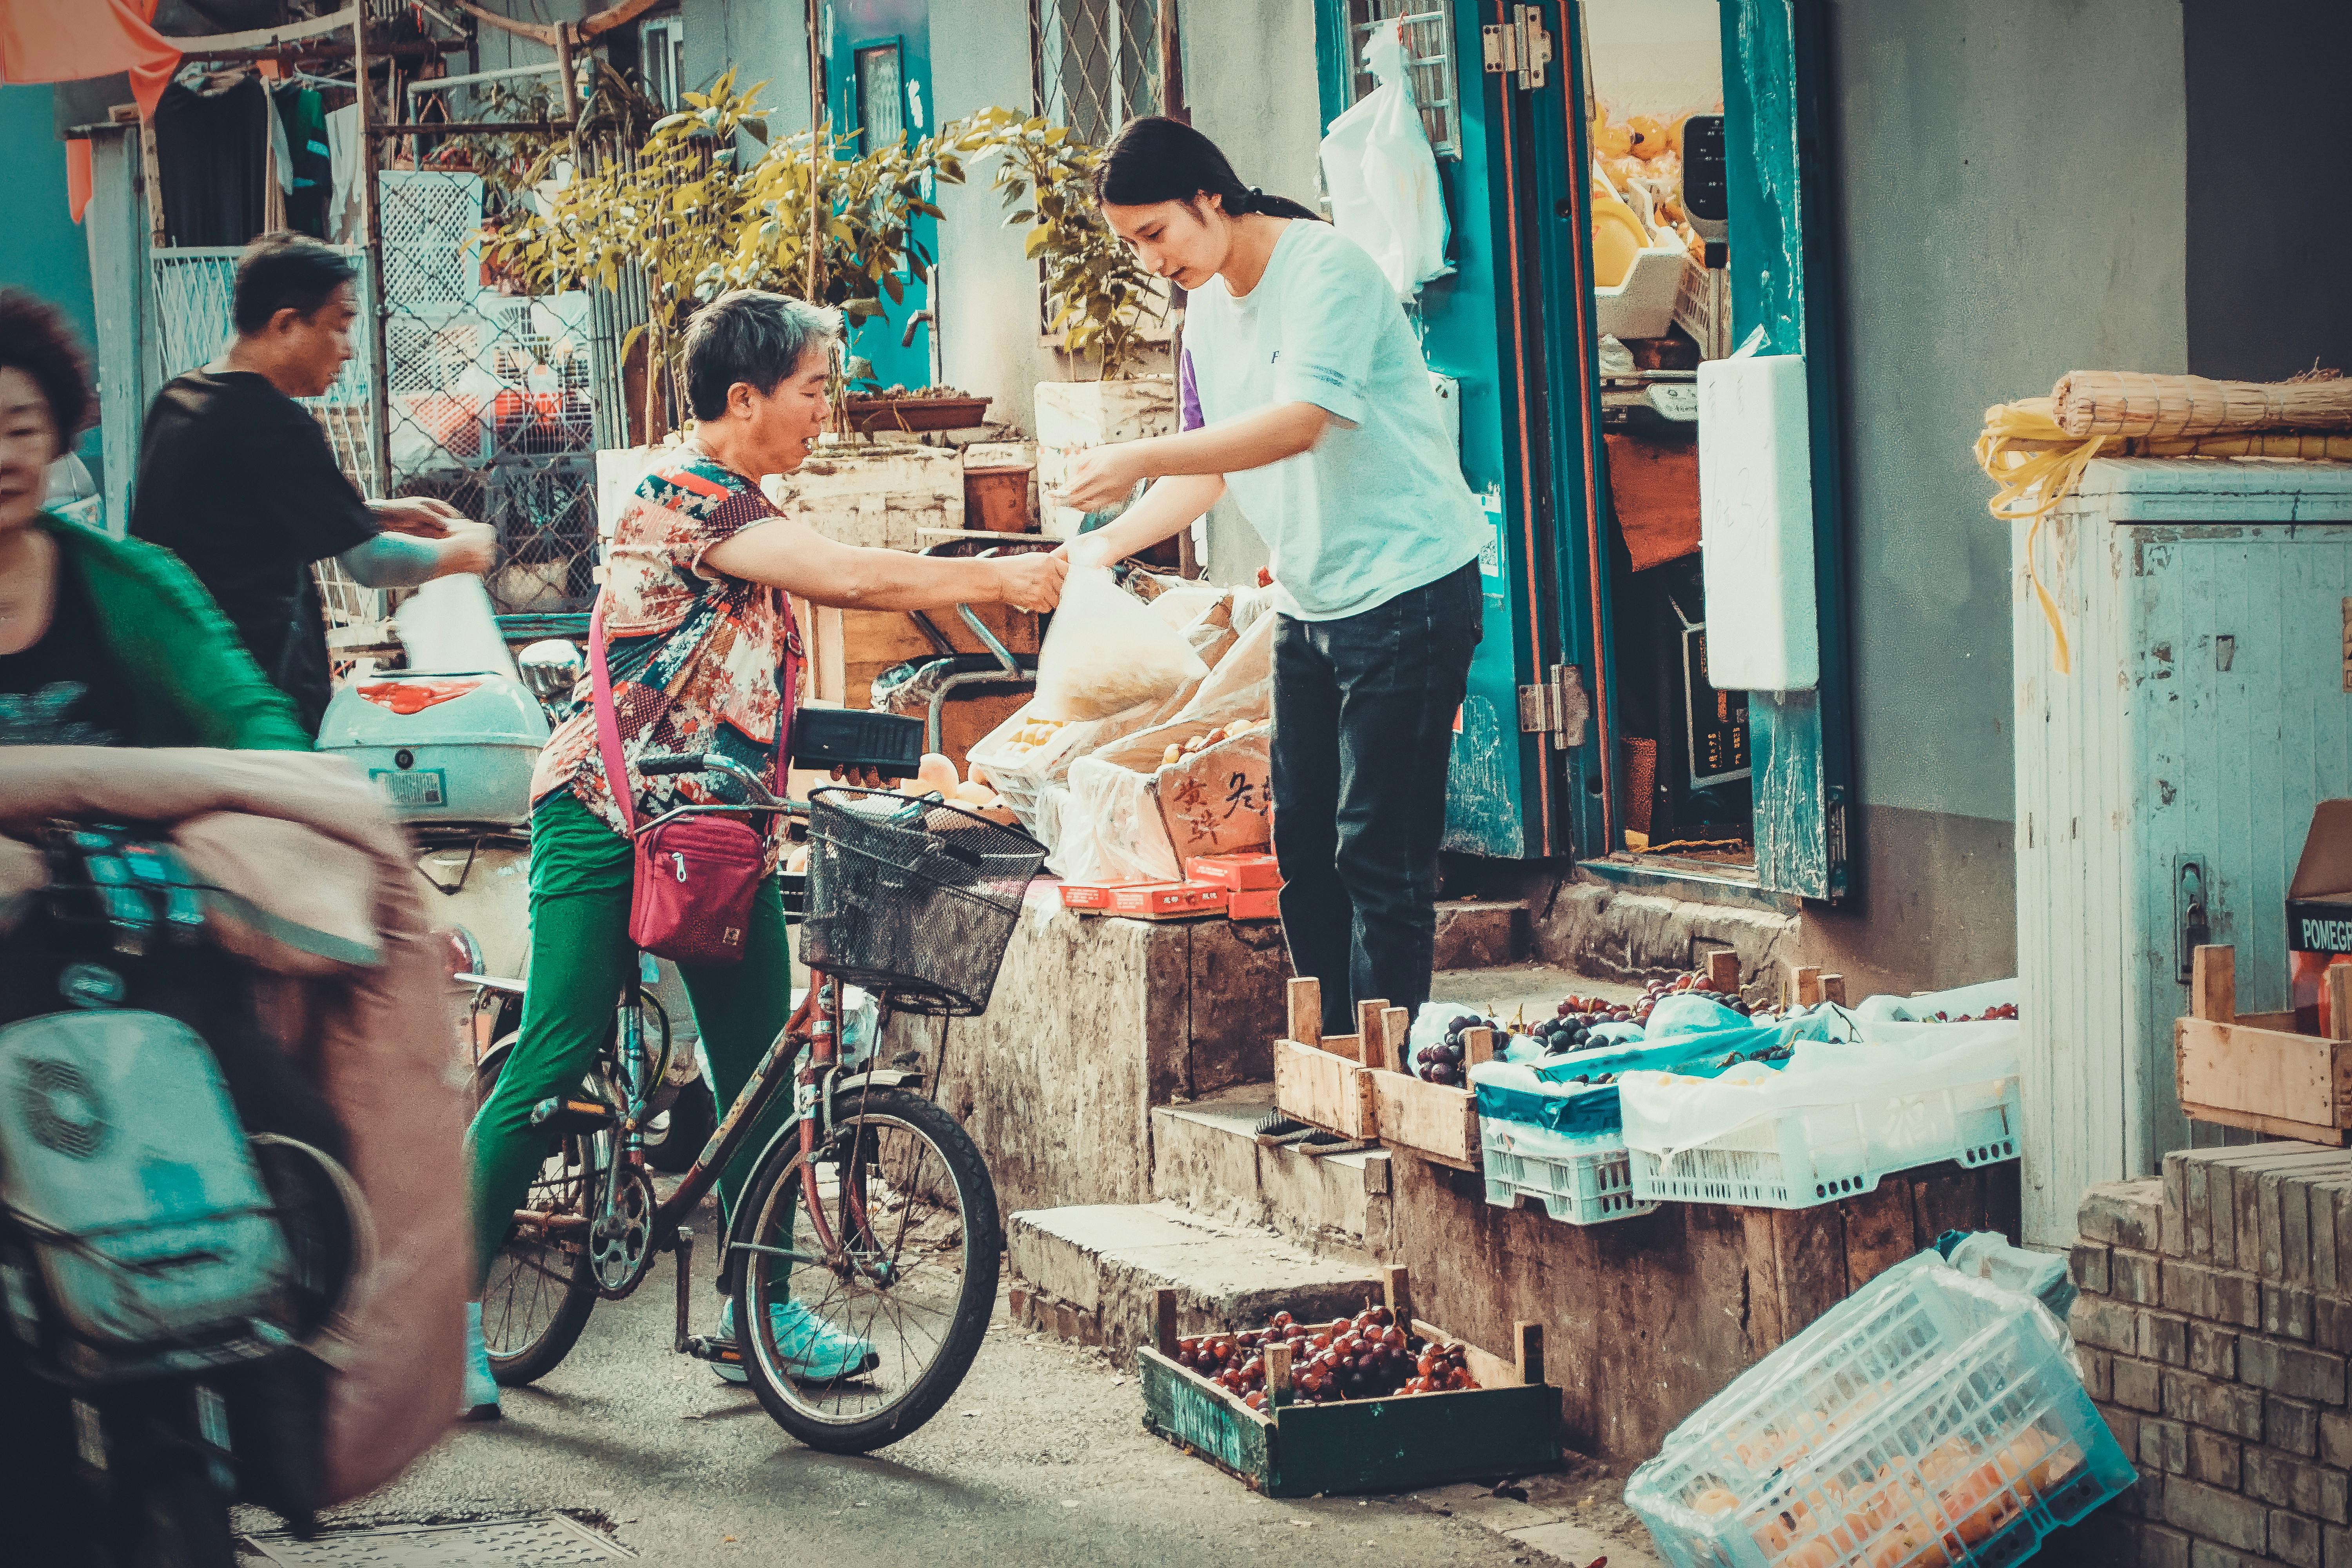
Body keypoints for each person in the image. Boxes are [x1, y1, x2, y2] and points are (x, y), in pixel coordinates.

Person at [462, 289, 1067, 1420]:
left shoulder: (747, 508)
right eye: (810, 388)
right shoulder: (691, 502)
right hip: (607, 816)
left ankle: (762, 1316)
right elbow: (859, 576)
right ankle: (440, 1325)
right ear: (744, 399)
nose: (823, 408)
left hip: (715, 834)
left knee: (762, 1077)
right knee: (550, 1059)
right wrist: (1006, 576)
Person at [1056, 116, 1488, 1040]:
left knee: (1379, 848)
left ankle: (1386, 1070)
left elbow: (1303, 420)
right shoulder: (1208, 306)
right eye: (1131, 243)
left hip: (1407, 589)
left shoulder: (1324, 270)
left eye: (1154, 234)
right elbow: (1209, 473)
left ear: (1209, 195)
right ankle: (1331, 1052)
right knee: (1304, 849)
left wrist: (1134, 451)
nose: (1150, 260)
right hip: (1309, 599)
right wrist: (1103, 548)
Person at [131, 231, 495, 735]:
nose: (348, 350)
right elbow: (371, 564)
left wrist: (375, 512)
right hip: (254, 703)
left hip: (180, 692)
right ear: (286, 325)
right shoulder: (275, 424)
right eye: (340, 325)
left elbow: (249, 513)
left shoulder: (179, 401)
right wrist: (469, 553)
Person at [0, 287, 309, 750]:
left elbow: (249, 717)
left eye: (22, 430)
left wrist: (301, 789)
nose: (4, 456)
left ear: (56, 439)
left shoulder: (133, 584)